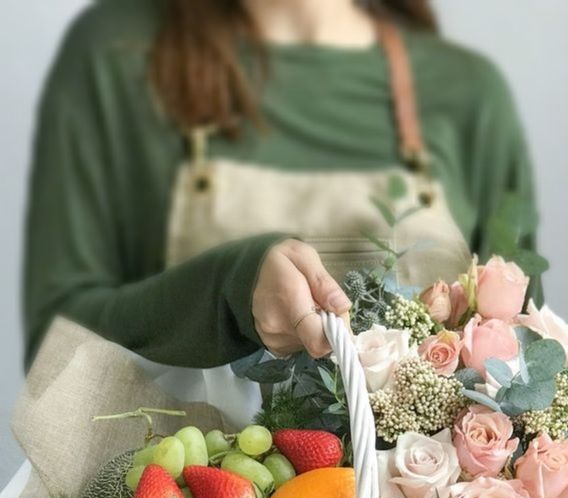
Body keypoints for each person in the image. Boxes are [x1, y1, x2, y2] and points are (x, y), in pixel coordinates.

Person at [22, 0, 541, 420]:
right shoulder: (118, 60)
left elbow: (526, 366)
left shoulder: (467, 93)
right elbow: (63, 348)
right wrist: (233, 285)